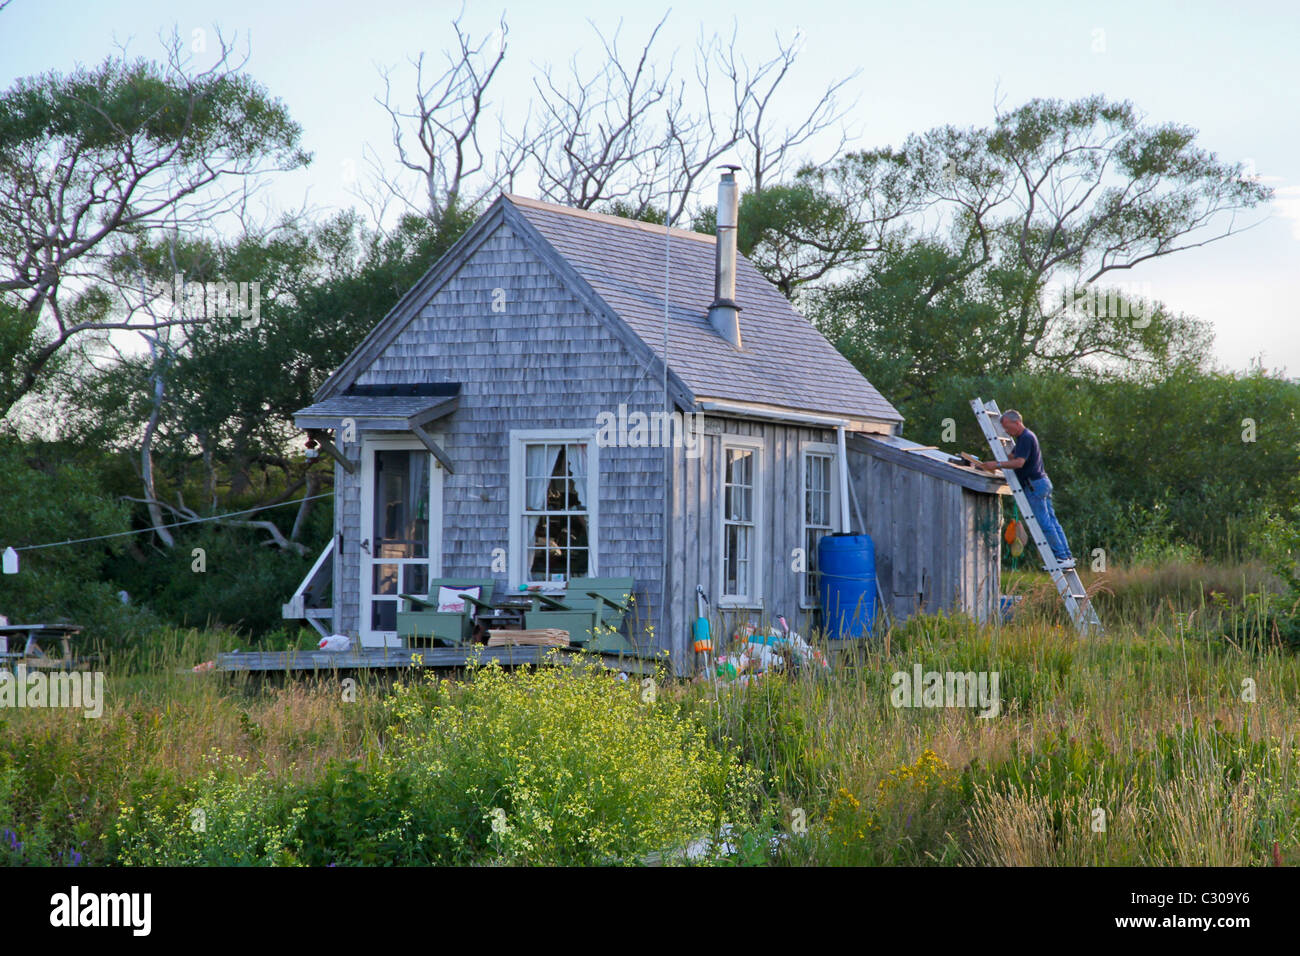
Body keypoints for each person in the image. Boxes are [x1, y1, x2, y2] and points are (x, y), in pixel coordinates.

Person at [974, 409, 1075, 569]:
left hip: (1034, 485)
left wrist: (997, 464)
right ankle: (1066, 556)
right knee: (1052, 522)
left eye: (1008, 427)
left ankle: (1061, 557)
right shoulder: (1023, 439)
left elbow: (1019, 463)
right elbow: (1013, 458)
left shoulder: (1026, 438)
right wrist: (1000, 453)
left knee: (1044, 523)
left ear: (1017, 422)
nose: (1007, 431)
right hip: (1041, 483)